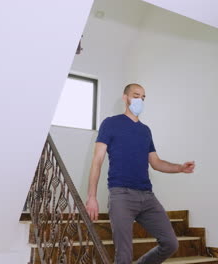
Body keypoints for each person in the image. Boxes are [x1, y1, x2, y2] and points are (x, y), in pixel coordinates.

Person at [85, 83, 195, 264]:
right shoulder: (110, 123)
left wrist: (180, 168)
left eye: (143, 97)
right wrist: (92, 196)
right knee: (124, 256)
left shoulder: (145, 131)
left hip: (147, 197)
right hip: (121, 195)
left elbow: (156, 162)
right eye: (136, 95)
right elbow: (97, 160)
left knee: (170, 243)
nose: (140, 100)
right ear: (125, 97)